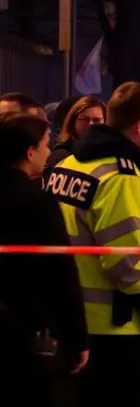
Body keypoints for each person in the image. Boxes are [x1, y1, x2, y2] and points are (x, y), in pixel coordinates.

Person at [45, 81, 140, 407]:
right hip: (112, 328)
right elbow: (123, 262)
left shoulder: (68, 165)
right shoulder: (120, 177)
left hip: (67, 315)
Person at [0, 114, 89, 406]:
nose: (49, 151)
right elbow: (61, 272)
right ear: (30, 152)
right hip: (28, 329)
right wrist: (77, 338)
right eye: (45, 144)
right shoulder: (38, 201)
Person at [45, 95, 106, 178]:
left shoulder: (109, 155)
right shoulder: (60, 156)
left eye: (97, 120)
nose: (91, 125)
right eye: (84, 119)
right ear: (72, 122)